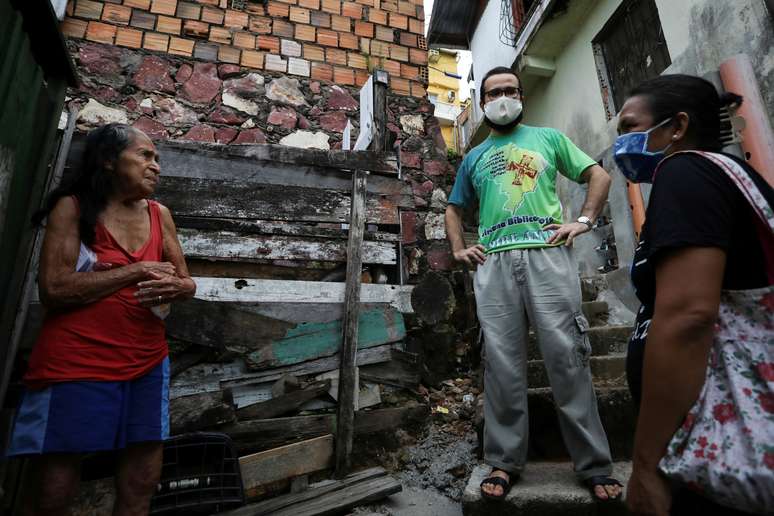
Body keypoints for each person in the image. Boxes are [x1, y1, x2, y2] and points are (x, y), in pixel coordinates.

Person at [445, 66, 622, 502]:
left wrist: (583, 220)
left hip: (547, 256)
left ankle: (596, 466)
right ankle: (504, 461)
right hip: (495, 264)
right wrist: (458, 249)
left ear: (520, 96)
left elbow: (598, 175)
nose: (502, 97)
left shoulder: (548, 139)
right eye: (493, 92)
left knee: (567, 357)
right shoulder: (473, 158)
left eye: (510, 90)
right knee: (502, 366)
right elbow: (454, 209)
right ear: (482, 103)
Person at [5, 124, 196, 516]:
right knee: (54, 487)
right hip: (76, 361)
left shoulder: (161, 215)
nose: (155, 166)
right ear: (109, 160)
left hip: (146, 359)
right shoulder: (73, 208)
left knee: (143, 479)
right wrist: (134, 271)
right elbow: (54, 289)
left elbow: (185, 278)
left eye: (157, 158)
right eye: (145, 155)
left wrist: (183, 288)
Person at [619, 75, 773, 515]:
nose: (622, 143)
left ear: (677, 127)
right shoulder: (719, 177)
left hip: (725, 441)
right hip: (711, 436)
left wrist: (645, 465)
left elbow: (689, 316)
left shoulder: (686, 171)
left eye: (630, 127)